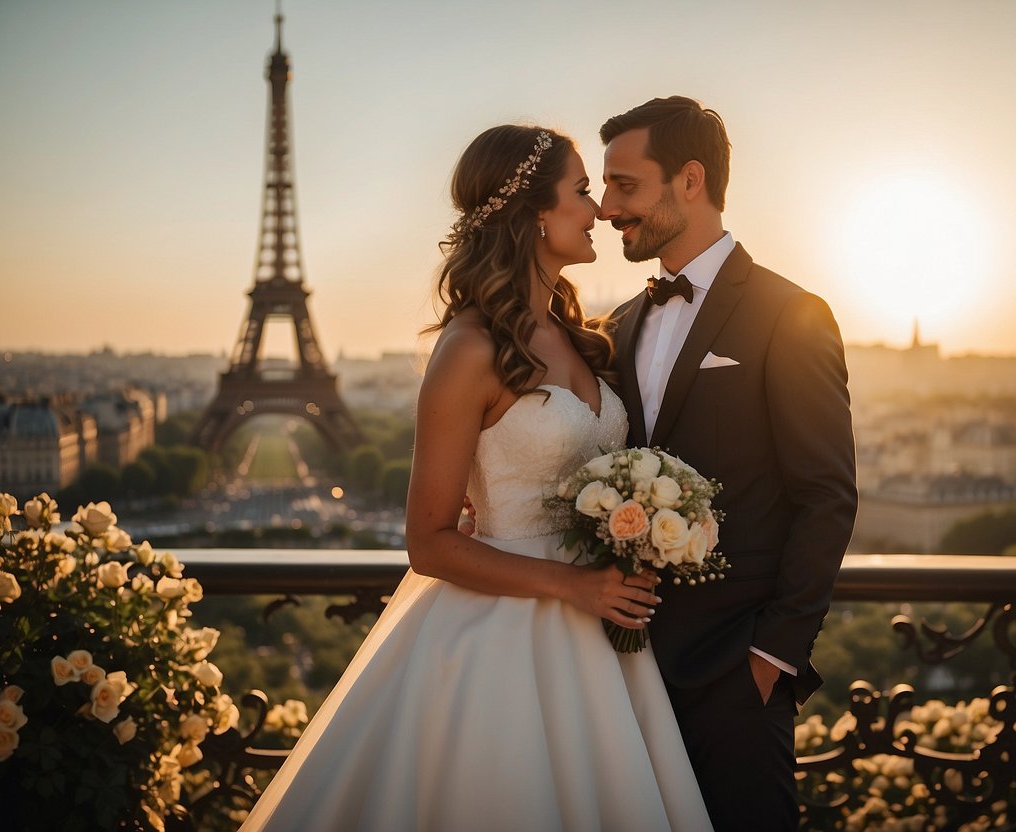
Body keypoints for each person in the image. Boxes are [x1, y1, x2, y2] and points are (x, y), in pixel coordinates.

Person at [239, 125, 714, 832]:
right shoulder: (468, 349)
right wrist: (574, 585)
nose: (600, 210)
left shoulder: (583, 336)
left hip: (597, 632)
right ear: (533, 213)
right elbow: (428, 542)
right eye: (583, 191)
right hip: (506, 639)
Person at [598, 96, 858, 832]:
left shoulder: (789, 312)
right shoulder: (617, 324)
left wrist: (769, 660)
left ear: (688, 180)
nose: (606, 208)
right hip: (617, 668)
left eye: (624, 185)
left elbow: (826, 496)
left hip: (732, 674)